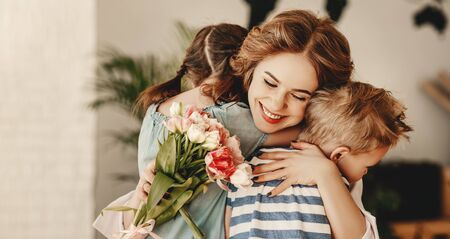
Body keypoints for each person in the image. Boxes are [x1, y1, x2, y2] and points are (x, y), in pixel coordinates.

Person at [94, 9, 359, 238]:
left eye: (300, 96)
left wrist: (326, 172)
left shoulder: (161, 112)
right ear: (249, 70)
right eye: (269, 82)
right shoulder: (228, 122)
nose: (277, 104)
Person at [225, 81, 413, 239]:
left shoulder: (249, 164)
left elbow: (227, 219)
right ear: (338, 155)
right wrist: (328, 174)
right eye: (367, 166)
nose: (365, 172)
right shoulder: (335, 184)